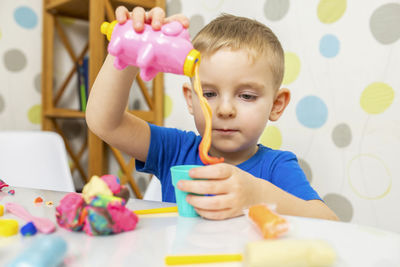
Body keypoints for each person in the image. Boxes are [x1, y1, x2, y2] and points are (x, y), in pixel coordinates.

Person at [86, 6, 339, 221]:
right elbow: (105, 122)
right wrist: (130, 49)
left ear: (277, 105)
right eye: (208, 94)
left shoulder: (276, 167)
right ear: (190, 98)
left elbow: (330, 222)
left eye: (246, 96)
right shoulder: (175, 149)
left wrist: (258, 196)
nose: (225, 110)